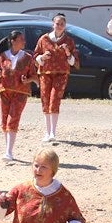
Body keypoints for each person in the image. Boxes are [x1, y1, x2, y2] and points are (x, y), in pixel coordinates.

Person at [0, 29, 37, 161]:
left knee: (12, 119)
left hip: (20, 92)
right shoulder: (2, 56)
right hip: (4, 91)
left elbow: (35, 76)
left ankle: (9, 152)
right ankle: (7, 148)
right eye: (21, 39)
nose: (24, 42)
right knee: (4, 121)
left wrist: (28, 80)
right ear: (13, 42)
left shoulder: (28, 57)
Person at [34, 13, 78, 142]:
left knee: (54, 100)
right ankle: (47, 132)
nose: (59, 26)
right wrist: (42, 57)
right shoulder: (44, 39)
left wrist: (68, 53)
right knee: (45, 100)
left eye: (62, 24)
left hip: (61, 74)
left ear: (65, 26)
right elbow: (36, 54)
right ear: (53, 24)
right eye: (57, 24)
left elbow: (73, 61)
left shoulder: (68, 41)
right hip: (45, 73)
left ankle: (53, 132)